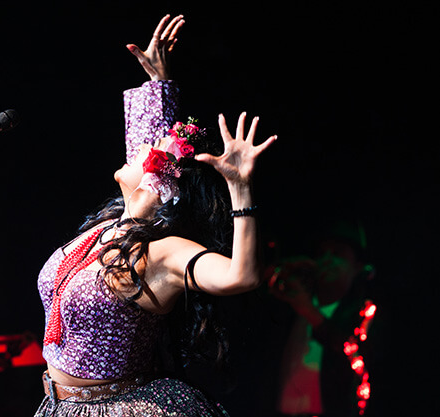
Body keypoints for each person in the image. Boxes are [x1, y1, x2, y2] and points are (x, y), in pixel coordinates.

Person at [34, 14, 277, 416]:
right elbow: (158, 151)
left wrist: (240, 187)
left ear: (158, 183)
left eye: (147, 154)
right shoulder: (105, 229)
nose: (137, 150)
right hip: (59, 407)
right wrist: (158, 81)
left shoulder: (163, 252)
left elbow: (241, 276)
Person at [268, 221, 377, 417]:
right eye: (322, 254)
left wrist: (311, 313)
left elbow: (358, 358)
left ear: (358, 267)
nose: (327, 260)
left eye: (338, 253)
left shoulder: (366, 312)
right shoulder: (291, 307)